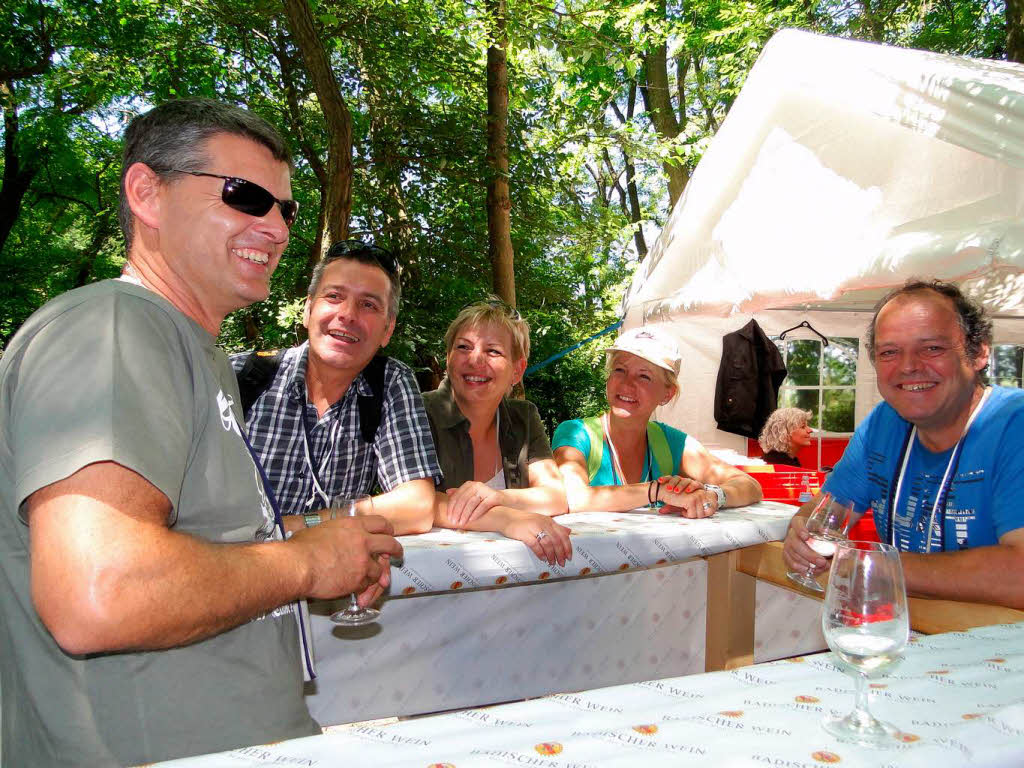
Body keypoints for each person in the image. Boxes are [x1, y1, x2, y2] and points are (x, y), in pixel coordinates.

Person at [0, 98, 403, 767]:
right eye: (245, 196)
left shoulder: (196, 351)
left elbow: (197, 546)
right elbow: (99, 593)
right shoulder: (115, 329)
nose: (274, 227)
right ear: (146, 193)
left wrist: (321, 543)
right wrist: (305, 564)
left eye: (286, 209)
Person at [783, 279, 1024, 609]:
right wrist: (802, 531)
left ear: (979, 351)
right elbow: (829, 511)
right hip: (914, 639)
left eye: (932, 348)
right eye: (889, 352)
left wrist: (868, 565)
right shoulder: (885, 423)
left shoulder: (1013, 424)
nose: (909, 366)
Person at [232, 240, 440, 535]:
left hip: (331, 577)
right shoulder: (240, 377)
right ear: (307, 310)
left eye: (368, 305)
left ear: (387, 330)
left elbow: (416, 507)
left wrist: (300, 526)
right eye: (334, 296)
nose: (348, 315)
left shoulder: (389, 383)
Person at [552, 326, 763, 515]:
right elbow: (572, 498)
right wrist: (658, 491)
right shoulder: (576, 434)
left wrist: (712, 496)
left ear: (667, 394)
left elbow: (749, 485)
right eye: (620, 370)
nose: (627, 384)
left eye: (644, 376)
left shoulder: (671, 442)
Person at [422, 301, 572, 566]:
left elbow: (556, 497)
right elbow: (415, 502)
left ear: (517, 370)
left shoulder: (523, 416)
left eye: (492, 351)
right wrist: (508, 517)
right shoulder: (418, 412)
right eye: (463, 347)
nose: (475, 359)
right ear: (448, 358)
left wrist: (496, 497)